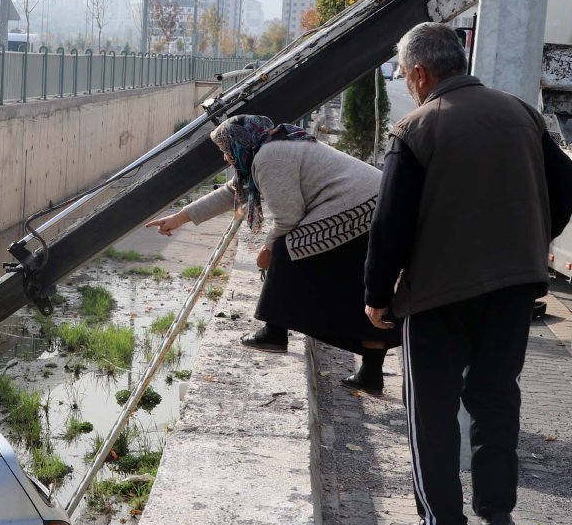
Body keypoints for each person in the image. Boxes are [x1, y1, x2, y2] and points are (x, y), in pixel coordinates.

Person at [364, 23, 572, 525]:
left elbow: (389, 223)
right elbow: (568, 183)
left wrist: (375, 292)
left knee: (431, 408)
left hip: (439, 291)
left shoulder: (416, 128)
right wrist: (531, 240)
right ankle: (498, 514)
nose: (405, 83)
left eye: (404, 74)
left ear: (419, 72)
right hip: (514, 285)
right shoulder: (520, 112)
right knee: (495, 395)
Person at [147, 114, 399, 393]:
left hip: (360, 210)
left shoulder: (270, 157)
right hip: (376, 207)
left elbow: (288, 219)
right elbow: (232, 192)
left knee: (285, 251)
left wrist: (266, 250)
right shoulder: (271, 147)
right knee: (360, 292)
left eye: (225, 150)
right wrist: (179, 218)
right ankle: (370, 375)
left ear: (241, 144)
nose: (224, 158)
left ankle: (274, 333)